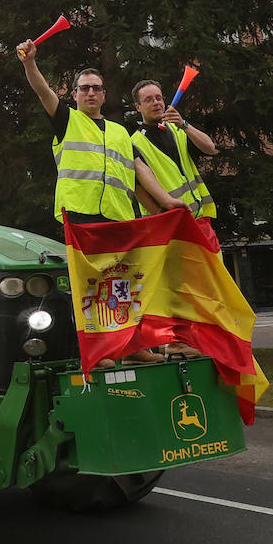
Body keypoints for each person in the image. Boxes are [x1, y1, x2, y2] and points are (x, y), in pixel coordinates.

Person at [18, 39, 183, 366]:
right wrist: (29, 63)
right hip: (81, 216)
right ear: (75, 94)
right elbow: (42, 92)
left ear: (104, 94)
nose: (91, 93)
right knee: (91, 287)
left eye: (96, 88)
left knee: (125, 283)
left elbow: (138, 170)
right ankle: (99, 352)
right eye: (84, 89)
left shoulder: (120, 132)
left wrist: (167, 203)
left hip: (119, 217)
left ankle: (133, 348)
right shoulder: (66, 120)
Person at [129, 78, 217, 225]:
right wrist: (160, 214)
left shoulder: (178, 128)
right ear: (138, 106)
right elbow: (138, 189)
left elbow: (210, 148)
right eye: (149, 100)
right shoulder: (134, 143)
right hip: (168, 224)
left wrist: (184, 125)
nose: (156, 102)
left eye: (158, 98)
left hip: (199, 218)